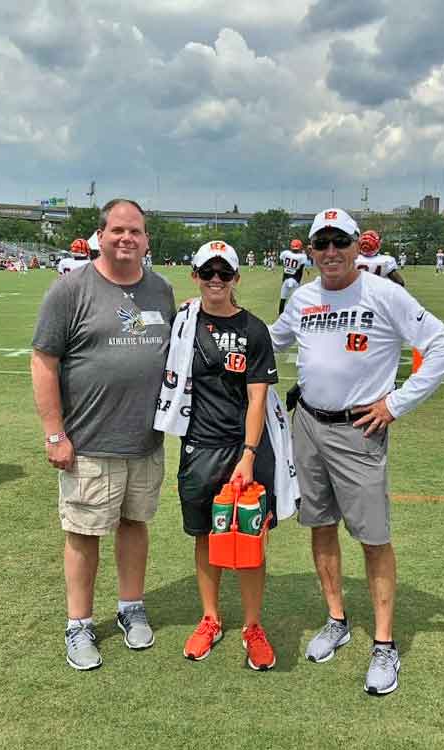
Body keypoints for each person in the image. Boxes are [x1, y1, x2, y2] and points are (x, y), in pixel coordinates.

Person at [270, 207, 444, 695]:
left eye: (340, 241)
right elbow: (269, 343)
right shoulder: (304, 298)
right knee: (319, 525)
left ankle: (383, 644)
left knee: (373, 538)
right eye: (322, 243)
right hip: (307, 423)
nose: (331, 251)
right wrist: (212, 311)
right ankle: (336, 618)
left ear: (358, 246)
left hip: (359, 431)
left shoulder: (384, 293)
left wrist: (395, 403)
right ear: (311, 251)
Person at [31, 199, 176, 671]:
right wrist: (55, 434)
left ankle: (131, 606)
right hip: (89, 442)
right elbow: (44, 361)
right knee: (83, 533)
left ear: (147, 239)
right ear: (101, 235)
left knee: (135, 524)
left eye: (135, 231)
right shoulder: (70, 289)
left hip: (145, 441)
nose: (126, 238)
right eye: (117, 230)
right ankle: (79, 624)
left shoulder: (161, 289)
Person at [155, 240, 280, 671]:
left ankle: (252, 626)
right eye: (207, 272)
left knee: (249, 538)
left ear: (236, 278)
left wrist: (248, 454)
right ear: (195, 276)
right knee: (205, 535)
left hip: (243, 450)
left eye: (224, 273)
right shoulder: (182, 323)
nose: (215, 280)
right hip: (198, 448)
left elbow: (257, 398)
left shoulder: (253, 329)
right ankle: (210, 618)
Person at [279, 239, 309, 313]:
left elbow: (282, 261)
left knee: (283, 299)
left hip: (286, 279)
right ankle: (295, 313)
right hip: (296, 279)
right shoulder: (302, 256)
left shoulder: (285, 253)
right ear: (300, 247)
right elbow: (302, 267)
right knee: (296, 299)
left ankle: (280, 314)